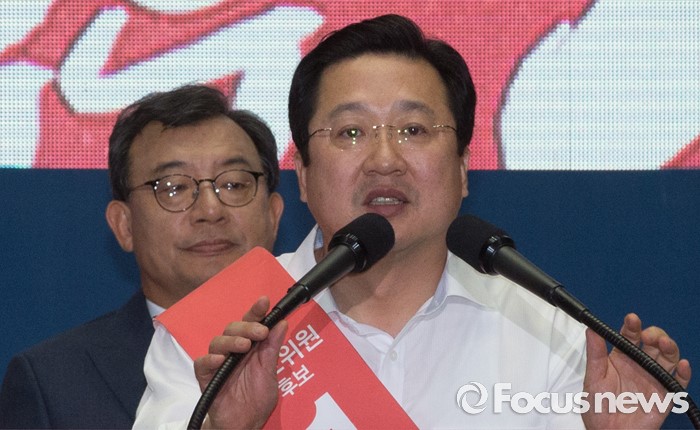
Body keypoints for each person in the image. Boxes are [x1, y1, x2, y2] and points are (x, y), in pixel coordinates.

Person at [134, 16, 691, 429]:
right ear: (301, 174)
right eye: (351, 132)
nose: (384, 159)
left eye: (414, 131)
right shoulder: (221, 330)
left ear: (464, 169)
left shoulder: (544, 329)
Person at [0, 84, 284, 429]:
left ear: (274, 214)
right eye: (174, 188)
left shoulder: (332, 331)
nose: (210, 210)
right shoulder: (53, 383)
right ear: (124, 225)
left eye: (234, 184)